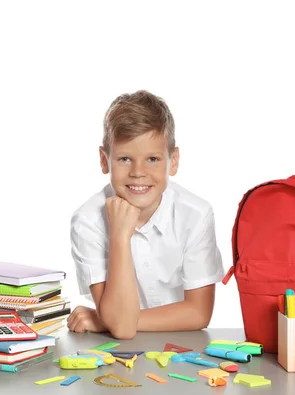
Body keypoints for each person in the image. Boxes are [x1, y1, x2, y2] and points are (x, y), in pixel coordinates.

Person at [66, 90, 224, 339]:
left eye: (152, 158)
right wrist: (119, 234)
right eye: (125, 158)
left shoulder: (196, 214)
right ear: (104, 160)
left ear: (173, 161)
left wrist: (108, 320)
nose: (138, 172)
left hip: (181, 351)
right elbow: (123, 329)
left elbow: (199, 313)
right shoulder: (87, 222)